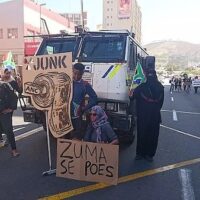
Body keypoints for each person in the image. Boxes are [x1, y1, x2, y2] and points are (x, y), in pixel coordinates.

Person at [130, 69, 164, 162]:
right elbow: (161, 103)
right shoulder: (160, 87)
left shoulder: (141, 87)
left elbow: (132, 97)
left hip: (143, 116)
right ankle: (149, 155)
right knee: (153, 136)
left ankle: (140, 154)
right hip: (155, 115)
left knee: (142, 134)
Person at [71, 63, 98, 139]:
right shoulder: (67, 82)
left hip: (77, 116)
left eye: (79, 74)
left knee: (76, 138)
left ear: (82, 73)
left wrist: (84, 108)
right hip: (65, 116)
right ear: (72, 71)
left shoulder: (85, 85)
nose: (76, 76)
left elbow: (94, 98)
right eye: (75, 73)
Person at [0, 80, 20, 157]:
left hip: (4, 113)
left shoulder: (5, 86)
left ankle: (14, 150)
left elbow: (14, 97)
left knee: (8, 130)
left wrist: (11, 109)